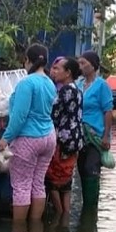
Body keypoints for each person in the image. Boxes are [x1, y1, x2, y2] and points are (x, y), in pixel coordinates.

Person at [0, 44, 57, 221]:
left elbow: (19, 116)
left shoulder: (26, 83)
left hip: (28, 139)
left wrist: (6, 138)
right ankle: (35, 229)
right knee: (38, 184)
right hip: (48, 137)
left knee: (21, 186)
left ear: (28, 61)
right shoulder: (50, 83)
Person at [45, 56, 84, 217]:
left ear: (68, 73)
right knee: (66, 180)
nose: (54, 72)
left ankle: (59, 217)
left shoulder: (66, 90)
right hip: (75, 139)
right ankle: (65, 219)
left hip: (63, 139)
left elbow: (54, 115)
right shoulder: (76, 89)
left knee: (52, 179)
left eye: (57, 69)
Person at [76, 50, 113, 207]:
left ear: (93, 66)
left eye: (83, 63)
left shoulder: (102, 85)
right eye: (79, 63)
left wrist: (106, 136)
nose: (81, 66)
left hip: (95, 136)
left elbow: (108, 111)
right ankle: (85, 207)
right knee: (81, 169)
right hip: (79, 136)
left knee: (91, 168)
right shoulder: (77, 84)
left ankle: (91, 209)